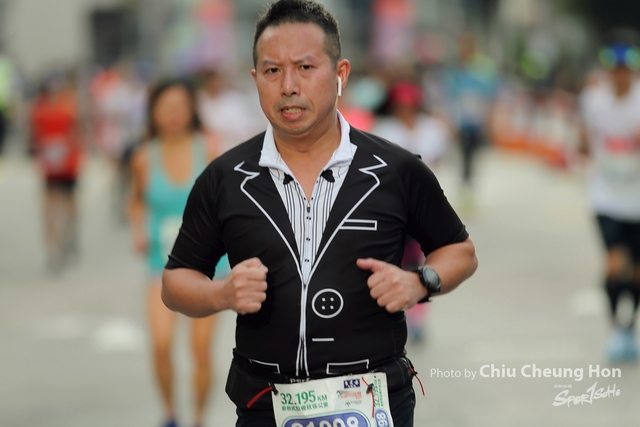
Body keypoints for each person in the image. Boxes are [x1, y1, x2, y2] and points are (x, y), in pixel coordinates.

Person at [162, 1, 478, 426]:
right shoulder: (226, 179)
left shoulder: (396, 170)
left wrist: (419, 282)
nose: (288, 86)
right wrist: (221, 295)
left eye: (306, 68)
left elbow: (460, 250)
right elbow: (175, 281)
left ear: (340, 74)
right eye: (272, 71)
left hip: (375, 403)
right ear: (255, 79)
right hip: (265, 404)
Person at [128, 79, 230, 427]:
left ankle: (199, 418)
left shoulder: (210, 151)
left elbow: (228, 203)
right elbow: (136, 201)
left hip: (208, 267)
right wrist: (139, 230)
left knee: (200, 350)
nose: (172, 115)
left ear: (192, 111)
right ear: (153, 113)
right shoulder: (143, 158)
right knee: (160, 344)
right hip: (161, 264)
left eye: (180, 107)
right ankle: (170, 413)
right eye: (165, 108)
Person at [374, 80, 453, 343]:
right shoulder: (385, 129)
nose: (405, 110)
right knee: (395, 258)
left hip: (425, 206)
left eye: (409, 105)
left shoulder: (431, 128)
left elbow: (439, 156)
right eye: (401, 106)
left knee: (418, 263)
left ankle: (417, 318)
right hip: (393, 206)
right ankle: (395, 312)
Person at [579, 30, 640, 362]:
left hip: (637, 200)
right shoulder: (593, 100)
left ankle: (630, 328)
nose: (619, 75)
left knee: (636, 272)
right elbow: (583, 140)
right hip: (606, 197)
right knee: (615, 264)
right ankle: (617, 328)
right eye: (613, 69)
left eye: (625, 69)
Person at [29, 69, 83, 273]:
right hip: (54, 163)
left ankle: (64, 237)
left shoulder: (65, 106)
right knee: (53, 203)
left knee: (64, 202)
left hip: (65, 161)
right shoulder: (54, 108)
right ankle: (56, 244)